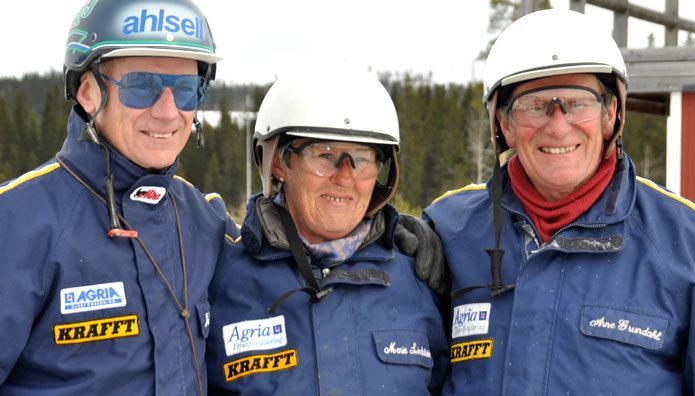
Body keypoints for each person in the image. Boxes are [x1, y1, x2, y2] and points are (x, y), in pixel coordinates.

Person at [422, 8, 695, 395]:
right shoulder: (446, 232)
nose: (558, 126)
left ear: (611, 114)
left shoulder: (689, 245)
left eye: (577, 103)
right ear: (504, 125)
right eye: (535, 106)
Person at [0, 0, 233, 394]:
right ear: (89, 93)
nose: (167, 111)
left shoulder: (205, 222)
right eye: (141, 87)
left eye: (187, 90)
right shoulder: (17, 222)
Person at [206, 67, 449, 395]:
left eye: (361, 159)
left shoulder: (420, 277)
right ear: (279, 163)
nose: (345, 177)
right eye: (325, 155)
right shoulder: (221, 276)